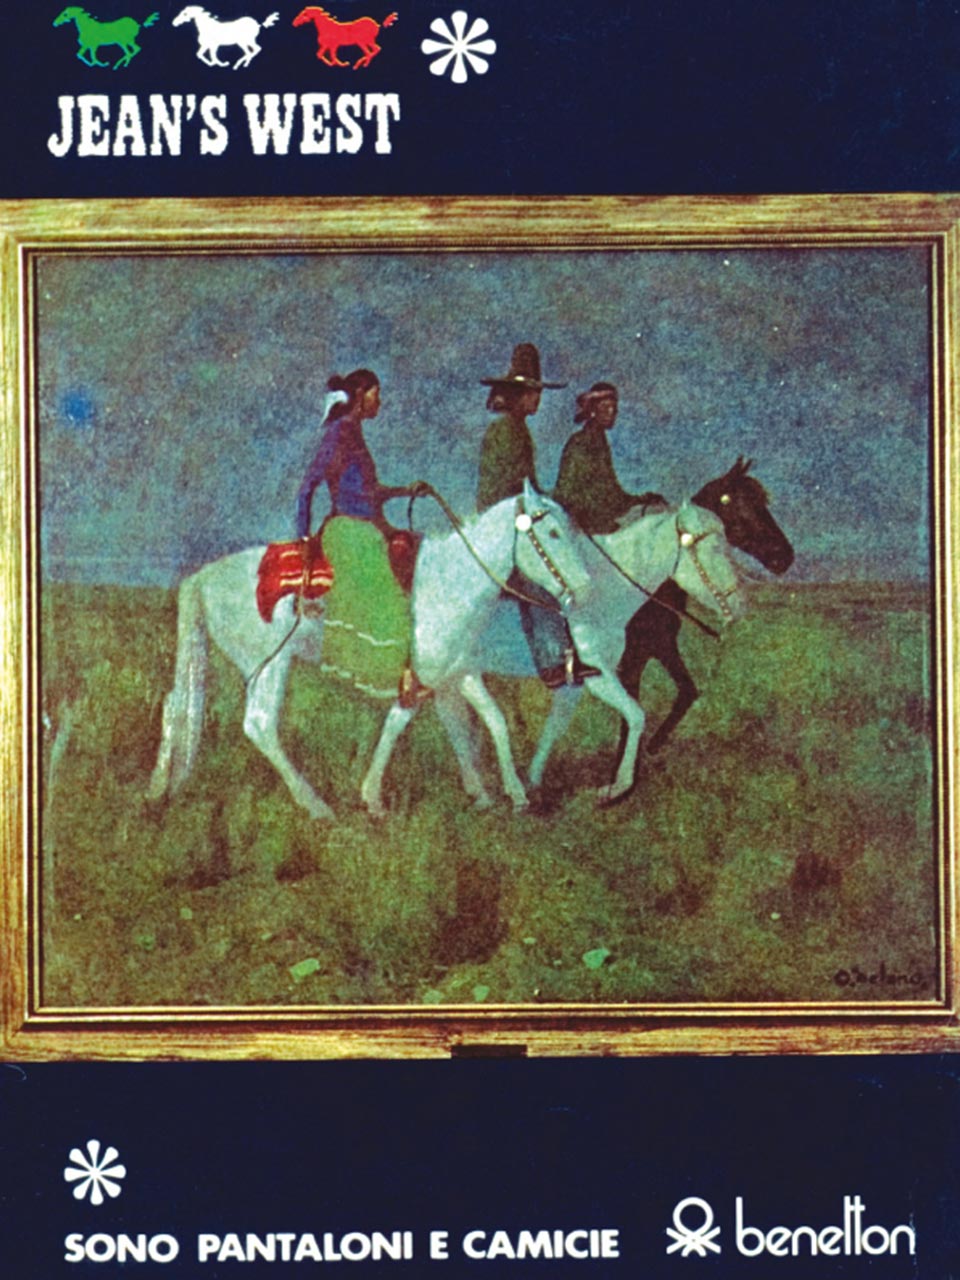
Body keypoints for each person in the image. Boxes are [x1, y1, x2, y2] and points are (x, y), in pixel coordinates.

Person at [296, 368, 430, 705]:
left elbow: (369, 493)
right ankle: (397, 678)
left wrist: (406, 490)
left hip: (366, 525)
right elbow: (307, 487)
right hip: (347, 529)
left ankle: (407, 670)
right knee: (389, 594)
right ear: (360, 395)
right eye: (376, 394)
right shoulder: (339, 434)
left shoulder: (354, 433)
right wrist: (303, 538)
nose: (379, 402)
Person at [476, 343, 597, 689]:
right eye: (532, 393)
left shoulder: (518, 429)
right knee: (540, 579)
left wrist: (557, 503)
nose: (537, 400)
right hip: (501, 522)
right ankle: (552, 663)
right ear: (518, 396)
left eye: (538, 393)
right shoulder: (505, 431)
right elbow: (507, 488)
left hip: (516, 515)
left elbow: (528, 486)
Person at [553, 381, 665, 534]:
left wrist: (640, 500)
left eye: (614, 408)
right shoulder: (579, 442)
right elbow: (566, 494)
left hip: (602, 520)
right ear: (592, 410)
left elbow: (613, 493)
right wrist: (599, 515)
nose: (611, 412)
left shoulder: (601, 441)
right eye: (605, 407)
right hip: (584, 527)